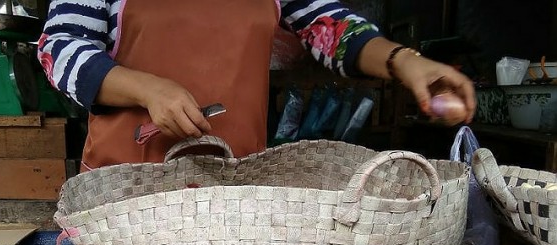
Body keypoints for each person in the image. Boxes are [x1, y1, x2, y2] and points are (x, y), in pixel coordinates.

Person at [37, 0, 476, 170]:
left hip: (235, 187)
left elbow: (333, 29)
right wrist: (146, 89)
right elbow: (58, 48)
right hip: (125, 191)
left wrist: (404, 61)